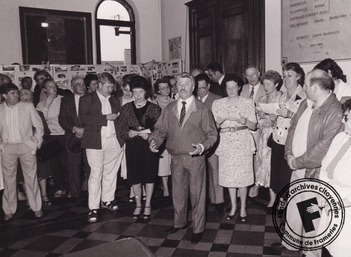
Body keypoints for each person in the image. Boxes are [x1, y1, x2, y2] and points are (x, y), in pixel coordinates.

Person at [272, 69, 344, 256]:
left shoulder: (334, 111)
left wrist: (299, 162)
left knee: (311, 213)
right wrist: (289, 154)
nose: (303, 87)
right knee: (294, 206)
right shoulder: (306, 103)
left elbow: (324, 147)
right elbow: (293, 127)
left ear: (314, 87)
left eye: (306, 85)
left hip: (313, 170)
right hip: (296, 164)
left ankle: (311, 253)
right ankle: (291, 245)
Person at [149, 73, 218, 244]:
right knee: (178, 194)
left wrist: (203, 147)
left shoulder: (202, 109)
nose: (183, 87)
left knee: (197, 195)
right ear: (176, 87)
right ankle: (179, 223)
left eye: (186, 84)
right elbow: (160, 130)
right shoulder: (170, 108)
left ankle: (198, 228)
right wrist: (154, 141)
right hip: (176, 158)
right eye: (179, 84)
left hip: (195, 159)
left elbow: (212, 134)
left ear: (193, 87)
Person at [79, 72, 124, 223]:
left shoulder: (115, 100)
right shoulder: (86, 99)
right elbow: (84, 118)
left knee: (111, 172)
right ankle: (93, 207)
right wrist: (105, 118)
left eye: (112, 86)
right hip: (94, 141)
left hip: (114, 141)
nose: (110, 89)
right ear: (99, 84)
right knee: (96, 174)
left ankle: (107, 200)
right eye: (108, 86)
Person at [212, 73, 257, 222]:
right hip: (226, 142)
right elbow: (214, 127)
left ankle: (243, 207)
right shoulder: (218, 104)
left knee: (243, 176)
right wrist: (219, 121)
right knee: (230, 177)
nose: (231, 90)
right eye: (228, 87)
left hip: (242, 141)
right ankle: (233, 206)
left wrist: (242, 119)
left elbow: (254, 126)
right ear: (225, 88)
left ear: (239, 87)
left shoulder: (247, 102)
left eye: (234, 87)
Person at [117, 75, 162, 220]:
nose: (137, 96)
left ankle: (147, 204)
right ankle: (138, 204)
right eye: (134, 92)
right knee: (135, 176)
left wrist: (147, 135)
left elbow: (160, 129)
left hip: (149, 146)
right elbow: (121, 129)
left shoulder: (155, 108)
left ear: (146, 92)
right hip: (133, 146)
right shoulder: (125, 109)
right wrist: (129, 133)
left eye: (140, 92)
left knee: (149, 175)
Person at [0, 83, 44, 221]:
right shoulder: (0, 110)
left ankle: (36, 207)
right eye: (12, 93)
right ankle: (9, 210)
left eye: (16, 92)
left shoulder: (28, 107)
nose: (16, 95)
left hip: (26, 146)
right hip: (8, 148)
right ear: (4, 96)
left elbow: (39, 126)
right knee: (8, 180)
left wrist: (35, 142)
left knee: (31, 178)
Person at [316, 99, 351, 257]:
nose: (344, 122)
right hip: (331, 206)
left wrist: (341, 203)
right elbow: (325, 167)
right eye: (345, 117)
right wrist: (323, 192)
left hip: (347, 210)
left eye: (348, 118)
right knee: (329, 249)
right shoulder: (340, 138)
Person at [269, 62, 306, 203]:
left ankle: (288, 211)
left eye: (289, 75)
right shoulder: (281, 95)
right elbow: (275, 119)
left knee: (287, 178)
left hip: (290, 143)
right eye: (284, 76)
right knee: (277, 178)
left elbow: (304, 119)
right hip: (277, 140)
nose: (286, 79)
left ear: (298, 77)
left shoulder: (303, 96)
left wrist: (290, 114)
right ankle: (280, 207)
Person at [194, 73, 224, 214]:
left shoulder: (217, 100)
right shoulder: (192, 100)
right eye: (198, 88)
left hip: (212, 141)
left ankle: (218, 201)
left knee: (215, 170)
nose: (200, 91)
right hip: (196, 142)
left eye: (203, 88)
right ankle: (204, 200)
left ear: (209, 86)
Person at [254, 70, 282, 208]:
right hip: (263, 136)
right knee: (263, 164)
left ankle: (276, 198)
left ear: (276, 84)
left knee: (274, 167)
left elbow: (278, 121)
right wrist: (266, 117)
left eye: (268, 84)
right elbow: (259, 122)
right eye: (264, 84)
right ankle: (269, 196)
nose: (265, 87)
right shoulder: (261, 100)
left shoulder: (281, 98)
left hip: (277, 136)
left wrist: (266, 116)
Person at [59, 77, 90, 199]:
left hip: (90, 136)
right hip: (73, 137)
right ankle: (75, 193)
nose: (82, 86)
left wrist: (85, 130)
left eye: (83, 84)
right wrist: (75, 129)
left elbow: (96, 117)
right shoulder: (66, 100)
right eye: (78, 84)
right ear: (72, 87)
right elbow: (62, 119)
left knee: (91, 165)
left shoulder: (92, 99)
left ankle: (93, 191)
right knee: (73, 166)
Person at [36, 78, 68, 198]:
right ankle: (60, 187)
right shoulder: (41, 103)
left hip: (63, 134)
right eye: (50, 86)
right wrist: (47, 104)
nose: (53, 88)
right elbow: (41, 119)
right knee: (55, 164)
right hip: (50, 137)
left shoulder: (63, 99)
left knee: (66, 163)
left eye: (54, 85)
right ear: (44, 89)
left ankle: (70, 187)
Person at [240, 65, 266, 198]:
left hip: (260, 129)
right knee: (245, 159)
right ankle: (245, 185)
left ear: (259, 73)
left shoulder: (265, 88)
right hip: (244, 130)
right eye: (248, 75)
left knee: (258, 159)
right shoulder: (243, 89)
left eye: (253, 74)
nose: (251, 77)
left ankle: (256, 186)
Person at [153, 77, 174, 197]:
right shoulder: (154, 103)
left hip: (173, 135)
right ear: (158, 91)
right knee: (164, 162)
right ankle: (165, 186)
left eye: (167, 87)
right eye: (162, 88)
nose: (165, 90)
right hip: (161, 135)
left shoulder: (174, 101)